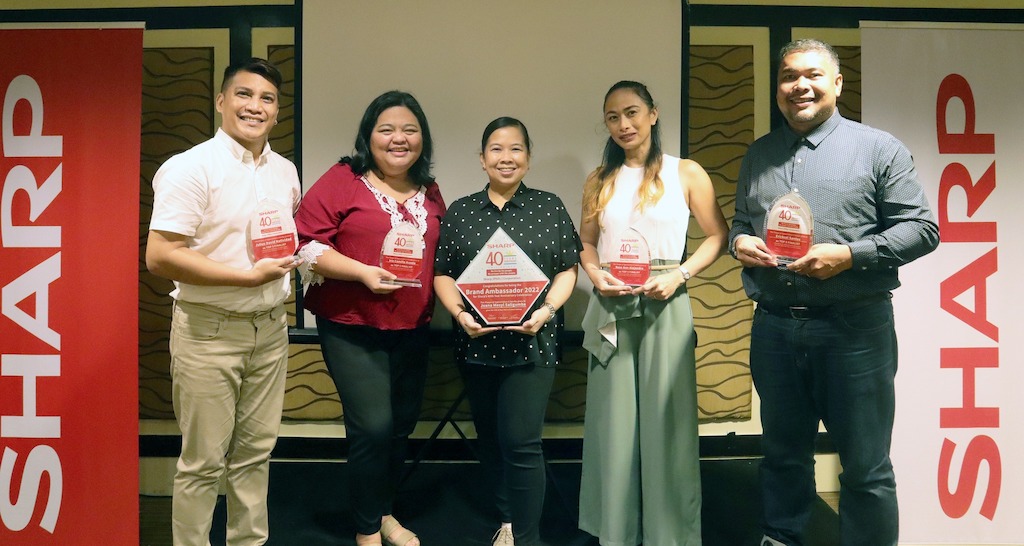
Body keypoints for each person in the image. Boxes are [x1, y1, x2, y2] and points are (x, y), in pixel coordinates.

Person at [729, 39, 940, 546]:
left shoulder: (879, 147)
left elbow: (922, 230)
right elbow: (740, 221)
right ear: (778, 87)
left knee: (865, 468)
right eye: (788, 76)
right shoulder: (760, 153)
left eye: (813, 75)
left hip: (855, 331)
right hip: (775, 328)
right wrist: (740, 241)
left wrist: (849, 256)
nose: (799, 85)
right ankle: (781, 538)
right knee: (782, 457)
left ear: (837, 83)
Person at [146, 57, 301, 546]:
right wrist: (243, 278)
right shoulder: (190, 168)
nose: (255, 106)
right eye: (243, 94)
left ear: (277, 112)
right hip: (208, 331)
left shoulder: (285, 172)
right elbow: (160, 256)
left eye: (267, 99)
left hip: (271, 331)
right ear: (221, 101)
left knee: (255, 455)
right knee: (203, 464)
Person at [577, 80, 728, 546]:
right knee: (614, 424)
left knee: (670, 423)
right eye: (613, 117)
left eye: (632, 112)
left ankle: (670, 535)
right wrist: (595, 274)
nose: (624, 124)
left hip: (667, 300)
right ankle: (616, 532)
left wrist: (680, 274)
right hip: (613, 306)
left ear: (653, 114)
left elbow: (718, 236)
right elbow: (584, 243)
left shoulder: (687, 172)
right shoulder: (600, 179)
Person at [293, 90, 445, 546]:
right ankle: (365, 531)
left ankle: (384, 514)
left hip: (412, 325)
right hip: (351, 323)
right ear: (368, 136)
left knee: (400, 424)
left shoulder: (429, 190)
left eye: (410, 130)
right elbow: (305, 245)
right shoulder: (344, 178)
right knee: (373, 427)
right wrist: (362, 273)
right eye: (387, 129)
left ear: (423, 139)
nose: (399, 139)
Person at [433, 117, 581, 546]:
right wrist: (460, 315)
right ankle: (507, 523)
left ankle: (527, 537)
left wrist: (549, 309)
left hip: (533, 341)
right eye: (496, 149)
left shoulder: (549, 206)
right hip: (475, 342)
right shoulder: (461, 210)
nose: (506, 157)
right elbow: (443, 273)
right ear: (482, 159)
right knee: (492, 440)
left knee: (521, 442)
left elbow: (568, 268)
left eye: (516, 149)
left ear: (528, 160)